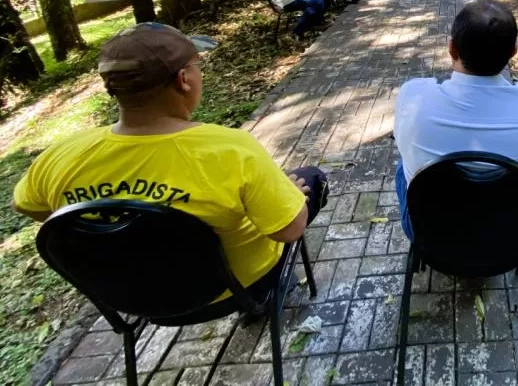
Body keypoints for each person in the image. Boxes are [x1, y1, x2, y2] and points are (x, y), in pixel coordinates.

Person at [11, 23, 329, 314]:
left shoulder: (58, 157)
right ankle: (269, 295)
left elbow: (30, 207)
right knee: (311, 179)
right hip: (230, 291)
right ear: (183, 80)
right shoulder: (230, 150)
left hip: (132, 299)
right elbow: (289, 230)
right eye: (197, 66)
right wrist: (288, 196)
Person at [393, 0, 518, 239]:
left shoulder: (413, 95)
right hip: (506, 236)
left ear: (451, 49)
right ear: (513, 52)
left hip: (431, 234)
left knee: (404, 164)